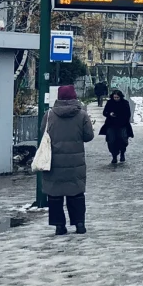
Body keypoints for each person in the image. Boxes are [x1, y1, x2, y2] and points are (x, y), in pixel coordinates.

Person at [43, 84, 94, 235]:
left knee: (55, 194)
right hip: (75, 162)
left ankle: (59, 226)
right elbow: (88, 136)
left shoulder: (49, 115)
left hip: (54, 161)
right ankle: (79, 224)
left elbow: (43, 135)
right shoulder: (82, 115)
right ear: (74, 96)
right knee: (76, 193)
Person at [100, 90, 135, 164]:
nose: (116, 98)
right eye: (114, 97)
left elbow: (128, 114)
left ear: (120, 97)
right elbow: (104, 112)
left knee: (123, 139)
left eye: (117, 97)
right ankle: (114, 156)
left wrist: (122, 118)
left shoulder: (125, 103)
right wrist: (110, 114)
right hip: (111, 125)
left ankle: (122, 153)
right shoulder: (110, 102)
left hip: (122, 125)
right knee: (111, 141)